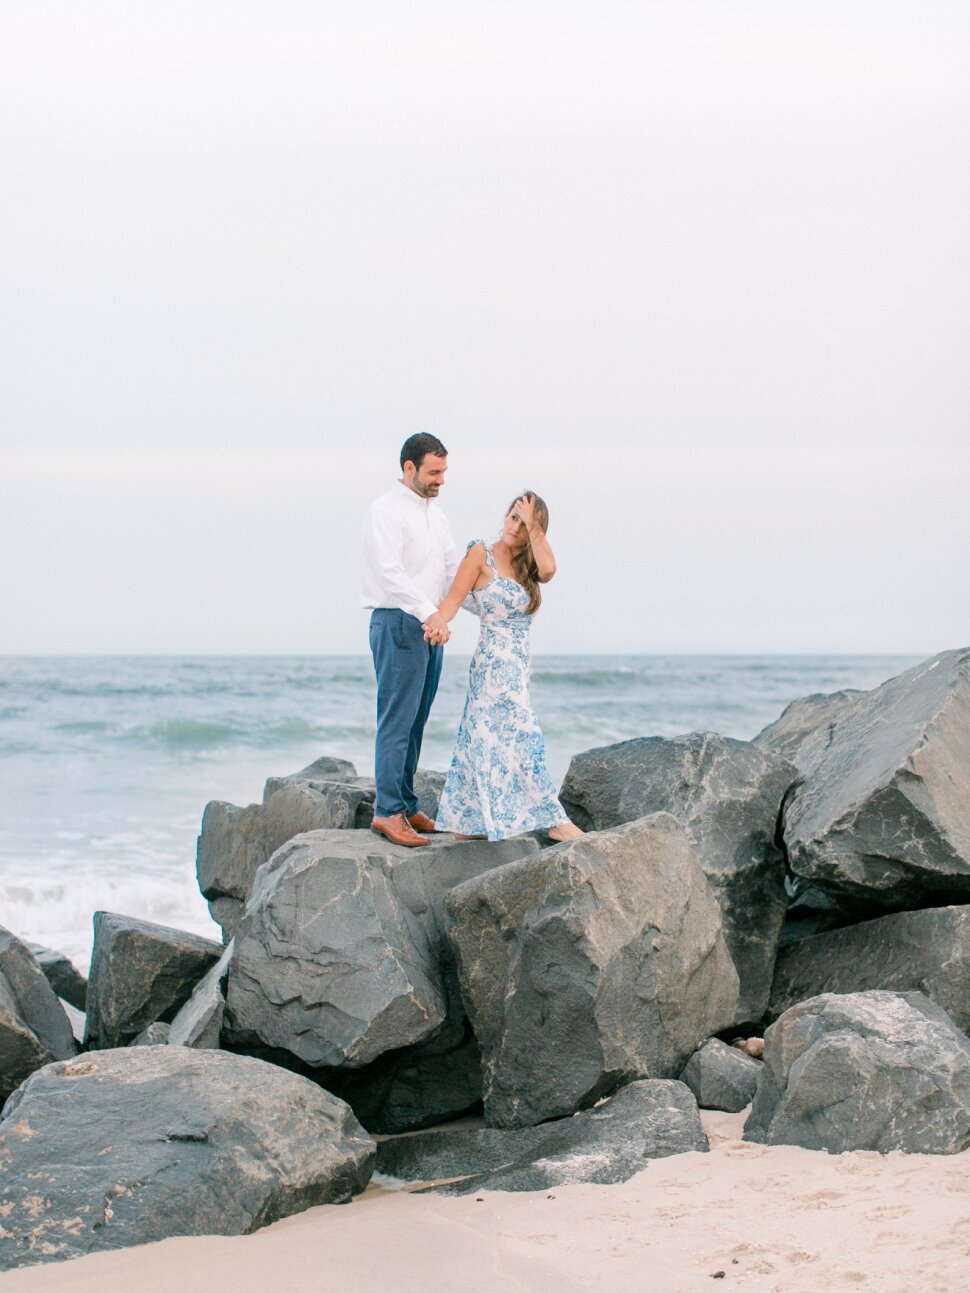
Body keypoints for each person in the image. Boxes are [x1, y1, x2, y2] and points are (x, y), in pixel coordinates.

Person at [426, 491, 584, 843]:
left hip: (518, 666)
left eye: (523, 522)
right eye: (513, 517)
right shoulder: (481, 553)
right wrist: (438, 621)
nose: (515, 526)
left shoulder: (528, 564)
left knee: (481, 738)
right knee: (523, 734)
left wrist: (535, 531)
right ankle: (554, 820)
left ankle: (468, 823)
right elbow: (453, 598)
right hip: (494, 665)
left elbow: (550, 570)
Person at [362, 433, 458, 847]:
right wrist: (431, 614)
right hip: (398, 622)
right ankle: (387, 813)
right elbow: (390, 576)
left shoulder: (437, 516)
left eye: (444, 472)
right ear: (409, 468)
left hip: (429, 626)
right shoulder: (384, 510)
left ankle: (405, 802)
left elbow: (452, 573)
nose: (441, 480)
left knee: (417, 720)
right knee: (397, 720)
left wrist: (480, 605)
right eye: (434, 472)